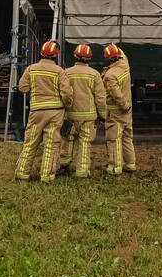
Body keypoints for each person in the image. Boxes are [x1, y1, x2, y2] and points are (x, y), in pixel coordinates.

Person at [15, 39, 73, 182]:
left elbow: (22, 87)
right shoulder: (59, 71)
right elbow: (66, 94)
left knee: (30, 142)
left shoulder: (31, 69)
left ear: (41, 53)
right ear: (56, 55)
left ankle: (22, 173)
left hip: (37, 111)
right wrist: (67, 105)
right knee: (51, 144)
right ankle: (47, 176)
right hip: (55, 112)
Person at [58, 43, 107, 178]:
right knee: (85, 143)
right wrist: (103, 116)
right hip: (88, 117)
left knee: (67, 141)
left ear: (75, 56)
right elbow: (100, 98)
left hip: (70, 116)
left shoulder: (66, 73)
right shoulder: (95, 74)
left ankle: (64, 167)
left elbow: (62, 93)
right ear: (89, 58)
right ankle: (82, 171)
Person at [101, 43, 136, 175]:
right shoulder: (125, 65)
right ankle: (130, 164)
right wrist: (112, 46)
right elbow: (123, 55)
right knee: (127, 137)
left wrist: (123, 106)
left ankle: (115, 167)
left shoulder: (110, 75)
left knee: (114, 139)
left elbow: (117, 95)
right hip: (128, 111)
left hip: (116, 112)